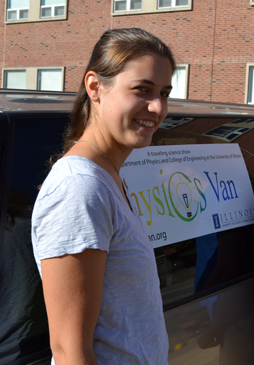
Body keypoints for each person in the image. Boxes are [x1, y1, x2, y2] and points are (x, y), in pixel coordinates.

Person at [31, 28, 175, 364]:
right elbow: (69, 352)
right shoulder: (79, 187)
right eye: (142, 90)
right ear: (95, 87)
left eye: (164, 93)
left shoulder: (109, 178)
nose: (157, 107)